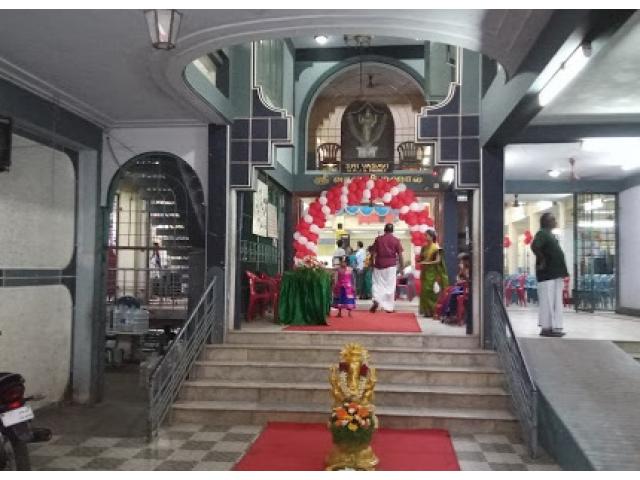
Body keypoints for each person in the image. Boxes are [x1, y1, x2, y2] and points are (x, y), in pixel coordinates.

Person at [531, 212, 568, 337]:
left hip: (555, 274)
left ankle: (554, 327)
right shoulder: (542, 233)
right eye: (553, 219)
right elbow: (534, 246)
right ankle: (546, 328)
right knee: (547, 301)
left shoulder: (550, 234)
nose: (555, 221)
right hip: (547, 274)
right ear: (545, 222)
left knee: (555, 301)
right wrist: (542, 260)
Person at [370, 224, 404, 313]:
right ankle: (388, 307)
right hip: (391, 265)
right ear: (392, 231)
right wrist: (402, 267)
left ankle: (376, 299)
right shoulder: (396, 240)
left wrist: (371, 263)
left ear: (384, 230)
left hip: (378, 264)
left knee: (377, 284)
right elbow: (400, 255)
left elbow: (373, 253)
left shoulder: (378, 239)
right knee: (390, 286)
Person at [419, 230, 449, 318]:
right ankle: (427, 312)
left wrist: (427, 263)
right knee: (424, 292)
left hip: (433, 273)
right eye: (425, 235)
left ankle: (434, 311)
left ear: (432, 237)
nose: (425, 237)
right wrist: (421, 261)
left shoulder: (436, 248)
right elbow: (421, 258)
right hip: (425, 272)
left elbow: (438, 261)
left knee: (431, 292)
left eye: (427, 236)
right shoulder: (424, 247)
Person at [441, 252, 470, 323]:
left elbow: (468, 279)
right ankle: (447, 314)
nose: (461, 262)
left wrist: (463, 272)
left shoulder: (469, 269)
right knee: (448, 294)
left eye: (462, 261)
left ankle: (451, 314)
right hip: (460, 288)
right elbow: (459, 278)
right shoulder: (462, 269)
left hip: (466, 289)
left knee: (453, 295)